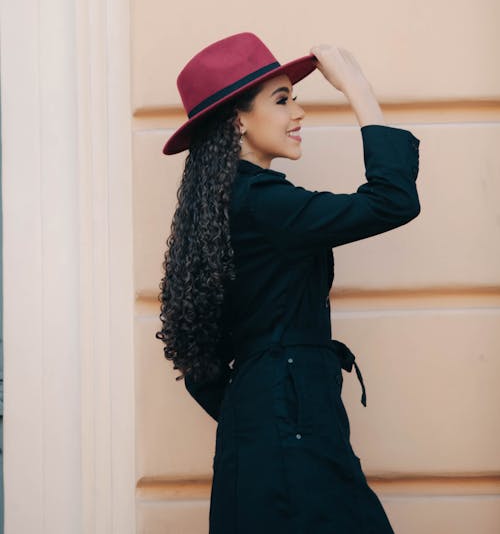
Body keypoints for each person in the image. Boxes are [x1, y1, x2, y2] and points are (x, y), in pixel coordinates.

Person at [156, 31, 421, 533]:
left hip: (267, 427)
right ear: (238, 119)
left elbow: (202, 371)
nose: (298, 113)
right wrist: (358, 89)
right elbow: (393, 200)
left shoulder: (228, 206)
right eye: (282, 100)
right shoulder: (263, 204)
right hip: (289, 425)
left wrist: (257, 415)